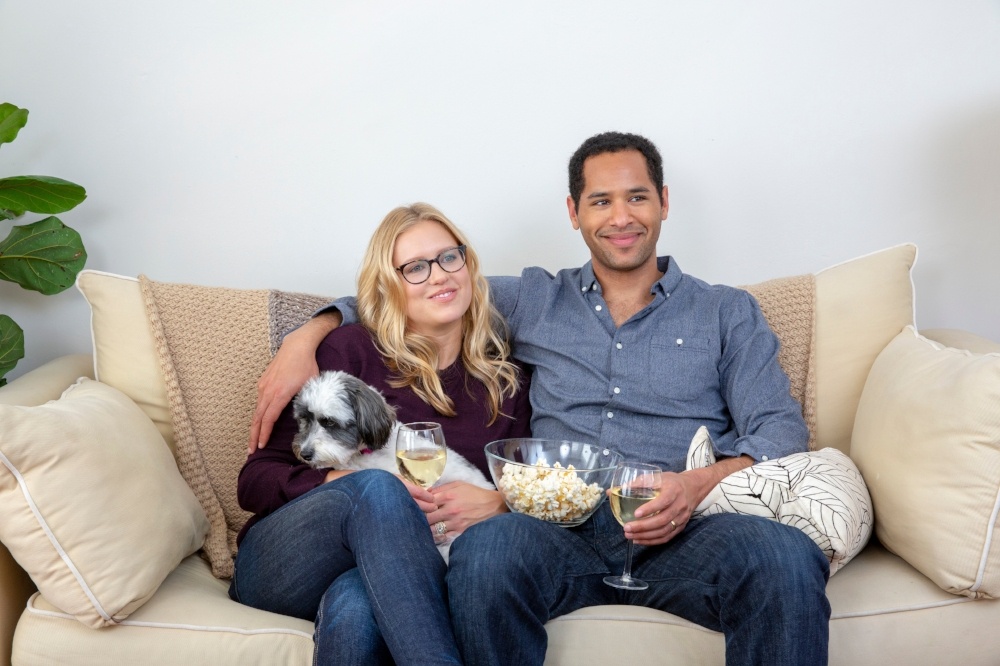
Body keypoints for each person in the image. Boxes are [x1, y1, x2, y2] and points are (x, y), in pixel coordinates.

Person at [250, 133, 831, 665]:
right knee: (486, 557)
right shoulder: (536, 298)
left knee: (784, 557)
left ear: (664, 202)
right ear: (574, 213)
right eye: (601, 201)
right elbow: (412, 295)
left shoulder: (727, 312)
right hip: (555, 529)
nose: (621, 217)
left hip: (676, 526)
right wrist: (309, 332)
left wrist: (692, 487)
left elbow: (778, 431)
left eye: (637, 197)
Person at [232, 203, 531, 665]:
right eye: (415, 268)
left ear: (467, 264)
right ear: (390, 285)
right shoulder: (346, 352)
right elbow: (253, 482)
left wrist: (500, 501)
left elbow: (530, 483)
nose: (438, 276)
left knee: (356, 606)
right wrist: (339, 484)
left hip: (400, 573)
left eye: (449, 257)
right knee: (376, 486)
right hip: (287, 562)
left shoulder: (506, 381)